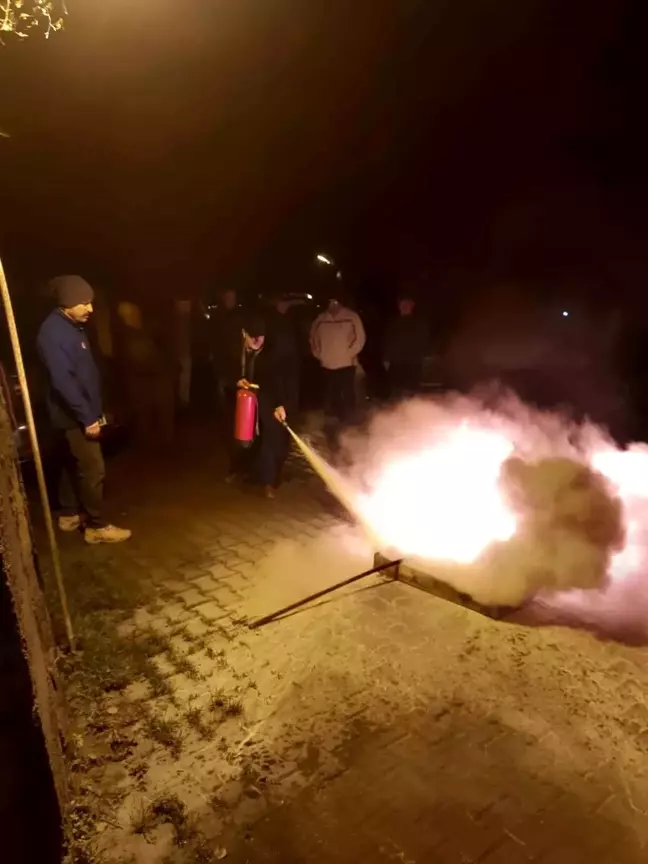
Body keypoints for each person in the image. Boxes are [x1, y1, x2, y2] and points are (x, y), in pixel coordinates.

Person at [37, 276, 131, 544]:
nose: (90, 309)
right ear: (67, 303)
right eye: (83, 303)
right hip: (73, 415)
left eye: (90, 302)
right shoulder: (53, 333)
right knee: (93, 468)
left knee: (72, 461)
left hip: (78, 411)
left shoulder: (71, 326)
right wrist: (87, 416)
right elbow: (63, 380)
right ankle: (96, 527)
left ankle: (70, 514)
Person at [230, 316, 298, 498]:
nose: (255, 341)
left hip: (275, 402)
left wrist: (283, 405)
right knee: (253, 440)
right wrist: (240, 381)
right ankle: (253, 475)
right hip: (255, 403)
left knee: (274, 440)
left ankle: (268, 481)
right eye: (252, 337)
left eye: (260, 338)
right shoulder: (243, 348)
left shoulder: (278, 354)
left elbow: (287, 382)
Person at [117, 301, 176, 447]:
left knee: (164, 411)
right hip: (139, 379)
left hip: (159, 376)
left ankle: (167, 445)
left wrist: (167, 370)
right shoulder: (123, 334)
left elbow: (167, 350)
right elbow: (123, 358)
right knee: (143, 413)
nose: (128, 317)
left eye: (129, 313)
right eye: (124, 315)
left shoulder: (153, 328)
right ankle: (148, 446)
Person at [309, 295, 366, 423]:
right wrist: (319, 354)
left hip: (346, 363)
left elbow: (360, 338)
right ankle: (335, 418)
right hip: (327, 363)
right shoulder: (321, 319)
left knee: (347, 391)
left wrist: (350, 353)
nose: (332, 305)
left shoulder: (351, 316)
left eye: (335, 301)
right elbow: (313, 338)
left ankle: (350, 419)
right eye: (330, 302)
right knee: (331, 391)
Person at [384, 295, 429, 397]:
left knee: (411, 391)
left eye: (407, 304)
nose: (404, 306)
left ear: (412, 305)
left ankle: (412, 410)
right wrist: (387, 358)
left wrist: (420, 356)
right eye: (402, 304)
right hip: (397, 364)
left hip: (413, 363)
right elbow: (389, 342)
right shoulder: (393, 323)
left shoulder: (419, 323)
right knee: (397, 391)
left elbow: (423, 341)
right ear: (398, 306)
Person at [210, 289, 244, 419]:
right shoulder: (218, 316)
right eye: (228, 297)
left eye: (233, 297)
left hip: (235, 358)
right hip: (223, 357)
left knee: (235, 388)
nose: (231, 300)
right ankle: (222, 415)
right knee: (222, 387)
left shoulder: (239, 316)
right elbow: (214, 336)